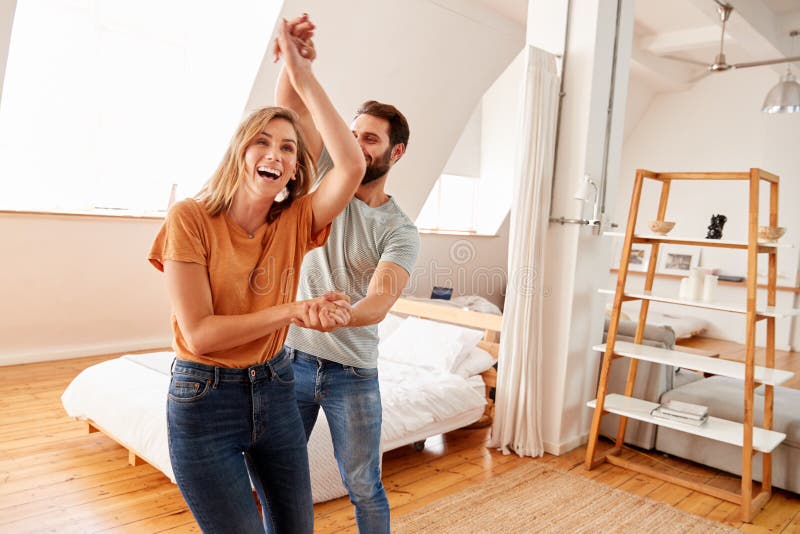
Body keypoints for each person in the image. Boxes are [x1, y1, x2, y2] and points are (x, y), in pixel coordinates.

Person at [147, 19, 365, 534]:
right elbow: (200, 331)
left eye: (289, 149)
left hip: (275, 388)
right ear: (240, 152)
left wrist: (301, 71)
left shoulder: (296, 220)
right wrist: (292, 310)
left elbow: (350, 166)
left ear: (294, 171)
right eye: (262, 142)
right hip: (204, 399)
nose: (276, 153)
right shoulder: (190, 218)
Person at [275, 14, 420, 533]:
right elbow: (286, 114)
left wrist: (333, 316)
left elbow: (380, 301)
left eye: (371, 140)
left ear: (395, 152)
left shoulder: (401, 231)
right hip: (290, 359)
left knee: (363, 483)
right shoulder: (326, 182)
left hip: (352, 373)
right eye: (353, 135)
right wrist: (293, 59)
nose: (356, 147)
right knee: (279, 477)